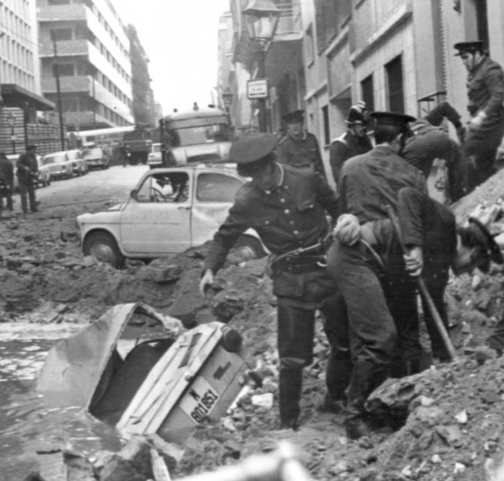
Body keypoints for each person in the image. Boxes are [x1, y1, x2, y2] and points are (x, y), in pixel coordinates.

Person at [199, 133, 346, 430]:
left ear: (271, 164)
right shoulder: (247, 199)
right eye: (252, 178)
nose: (260, 184)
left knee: (343, 343)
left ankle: (336, 397)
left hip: (327, 271)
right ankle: (288, 421)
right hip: (290, 280)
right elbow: (224, 236)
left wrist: (345, 231)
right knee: (292, 358)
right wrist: (210, 269)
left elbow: (336, 207)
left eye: (262, 175)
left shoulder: (306, 178)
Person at [330, 187, 501, 438]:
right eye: (472, 267)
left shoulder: (441, 268)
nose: (465, 274)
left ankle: (390, 410)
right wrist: (415, 248)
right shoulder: (444, 220)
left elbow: (435, 309)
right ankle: (354, 418)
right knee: (381, 337)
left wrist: (445, 360)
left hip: (383, 274)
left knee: (409, 344)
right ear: (474, 252)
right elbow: (407, 195)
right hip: (356, 257)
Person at [331, 111, 430, 438]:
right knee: (397, 332)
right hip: (385, 257)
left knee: (370, 335)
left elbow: (345, 210)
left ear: (374, 137)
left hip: (366, 250)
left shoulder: (350, 167)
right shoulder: (415, 176)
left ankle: (383, 407)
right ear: (400, 140)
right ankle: (360, 413)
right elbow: (420, 224)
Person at [455, 41, 504, 192]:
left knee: (466, 154)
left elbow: (498, 96)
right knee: (483, 167)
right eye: (462, 58)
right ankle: (483, 197)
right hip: (483, 124)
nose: (463, 62)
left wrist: (481, 116)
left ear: (477, 54)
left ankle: (467, 195)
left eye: (466, 57)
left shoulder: (490, 70)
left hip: (490, 124)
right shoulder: (476, 71)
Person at [401, 111, 468, 203]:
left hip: (416, 147)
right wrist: (458, 125)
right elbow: (443, 107)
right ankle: (457, 195)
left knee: (415, 183)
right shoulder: (424, 120)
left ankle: (422, 207)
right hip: (439, 137)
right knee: (456, 162)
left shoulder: (399, 134)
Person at [329, 102, 373, 188]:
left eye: (366, 125)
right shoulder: (340, 145)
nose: (364, 128)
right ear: (352, 125)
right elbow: (339, 178)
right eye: (361, 125)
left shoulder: (366, 141)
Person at [276, 109, 327, 181]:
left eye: (297, 122)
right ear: (288, 126)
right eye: (291, 123)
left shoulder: (311, 139)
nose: (295, 126)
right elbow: (283, 170)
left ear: (301, 123)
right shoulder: (284, 144)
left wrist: (324, 181)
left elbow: (320, 164)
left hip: (314, 181)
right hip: (296, 184)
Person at [15, 145, 39, 214]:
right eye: (33, 150)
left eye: (35, 150)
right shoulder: (23, 155)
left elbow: (35, 165)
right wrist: (24, 167)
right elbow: (18, 164)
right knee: (24, 195)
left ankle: (33, 208)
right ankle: (25, 210)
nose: (35, 151)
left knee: (32, 193)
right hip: (22, 177)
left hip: (30, 177)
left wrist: (36, 172)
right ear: (29, 150)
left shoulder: (33, 156)